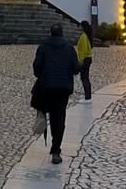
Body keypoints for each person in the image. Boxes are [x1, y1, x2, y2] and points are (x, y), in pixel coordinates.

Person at [33, 23, 80, 164]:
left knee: (47, 113)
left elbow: (36, 70)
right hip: (63, 88)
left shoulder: (43, 48)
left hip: (46, 87)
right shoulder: (69, 48)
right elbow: (75, 68)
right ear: (62, 33)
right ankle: (56, 150)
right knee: (59, 118)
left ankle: (46, 133)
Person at [76, 20, 93, 103]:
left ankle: (87, 97)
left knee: (84, 77)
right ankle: (88, 95)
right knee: (85, 77)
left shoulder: (83, 36)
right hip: (88, 58)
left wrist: (81, 60)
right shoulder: (87, 36)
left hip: (85, 59)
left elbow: (84, 49)